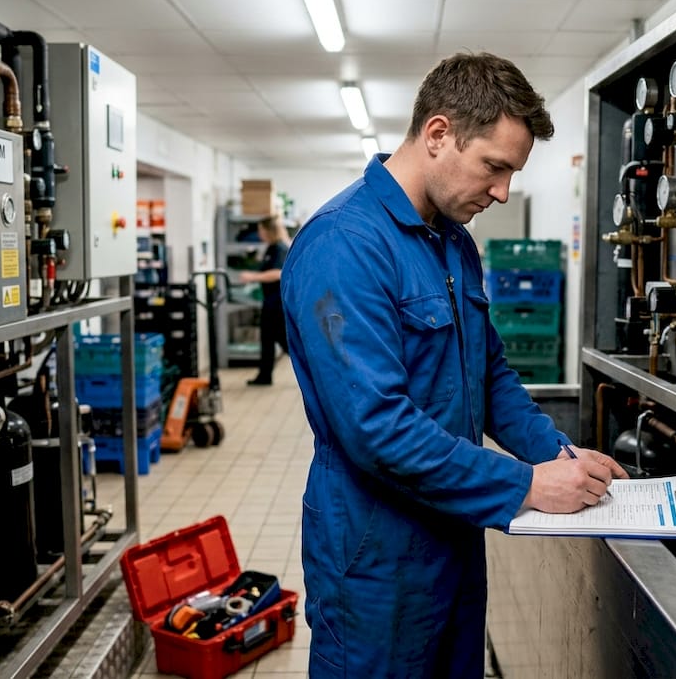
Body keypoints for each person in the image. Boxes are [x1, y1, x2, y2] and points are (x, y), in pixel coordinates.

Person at [280, 52, 628, 678]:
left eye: (512, 173)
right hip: (374, 555)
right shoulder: (344, 245)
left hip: (454, 532)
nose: (502, 192)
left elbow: (489, 372)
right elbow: (376, 428)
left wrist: (556, 457)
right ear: (438, 134)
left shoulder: (452, 240)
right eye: (494, 167)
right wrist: (524, 487)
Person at [238, 215, 290, 386]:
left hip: (277, 302)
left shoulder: (280, 248)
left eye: (261, 229)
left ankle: (315, 368)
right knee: (268, 339)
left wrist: (253, 277)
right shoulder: (271, 248)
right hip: (271, 300)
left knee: (283, 340)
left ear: (269, 231)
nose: (259, 233)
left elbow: (278, 273)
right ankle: (264, 375)